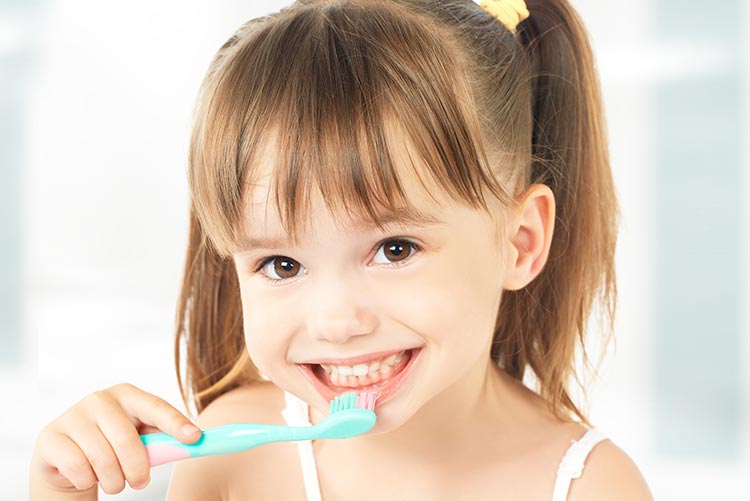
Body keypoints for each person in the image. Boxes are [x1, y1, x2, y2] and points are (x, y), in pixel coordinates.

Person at [30, 0, 654, 499]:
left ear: (519, 243)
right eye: (281, 264)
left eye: (395, 248)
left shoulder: (591, 487)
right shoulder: (237, 460)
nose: (335, 321)